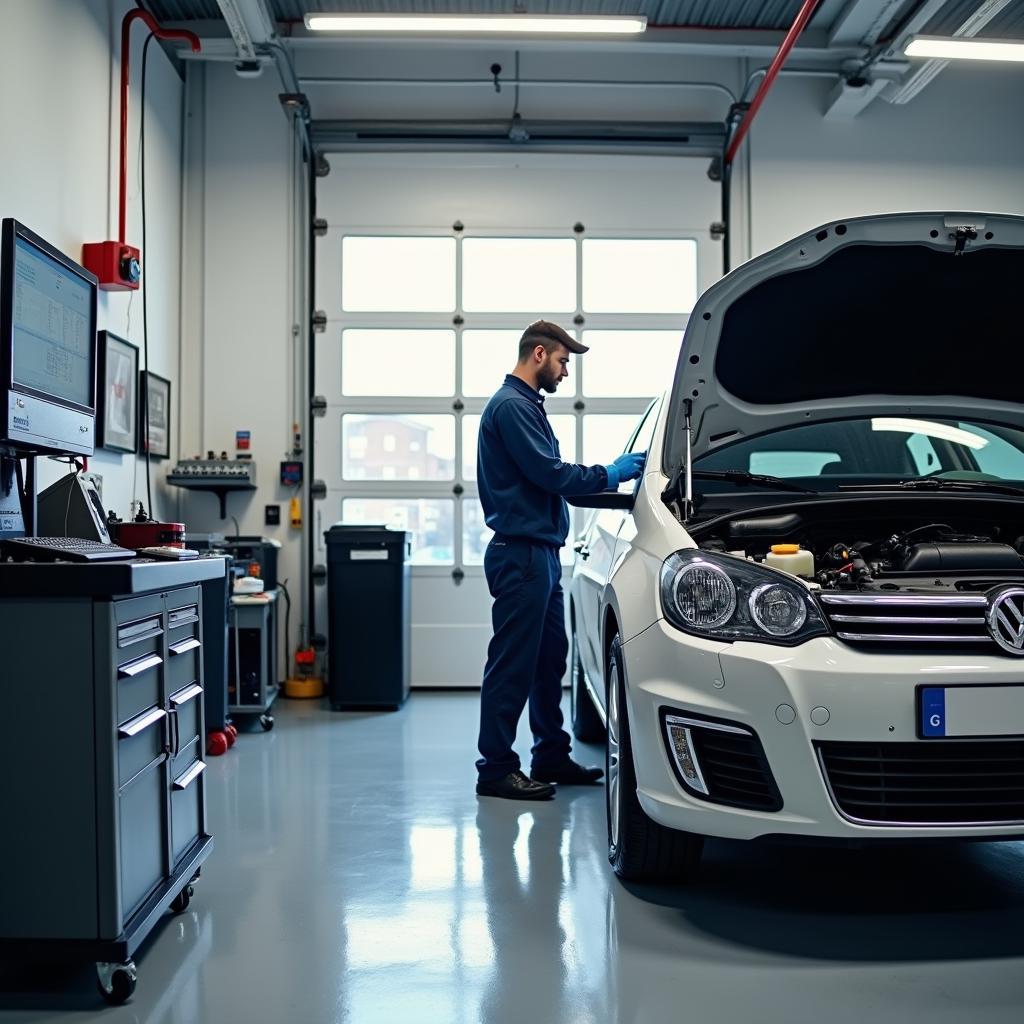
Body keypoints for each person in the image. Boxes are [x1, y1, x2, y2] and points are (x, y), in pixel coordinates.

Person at [475, 321, 645, 800]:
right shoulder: (512, 408)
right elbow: (550, 474)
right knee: (512, 665)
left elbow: (547, 479)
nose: (565, 372)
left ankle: (550, 754)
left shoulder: (526, 406)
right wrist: (610, 473)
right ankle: (495, 770)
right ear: (538, 355)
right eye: (563, 361)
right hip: (522, 556)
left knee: (549, 660)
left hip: (541, 555)